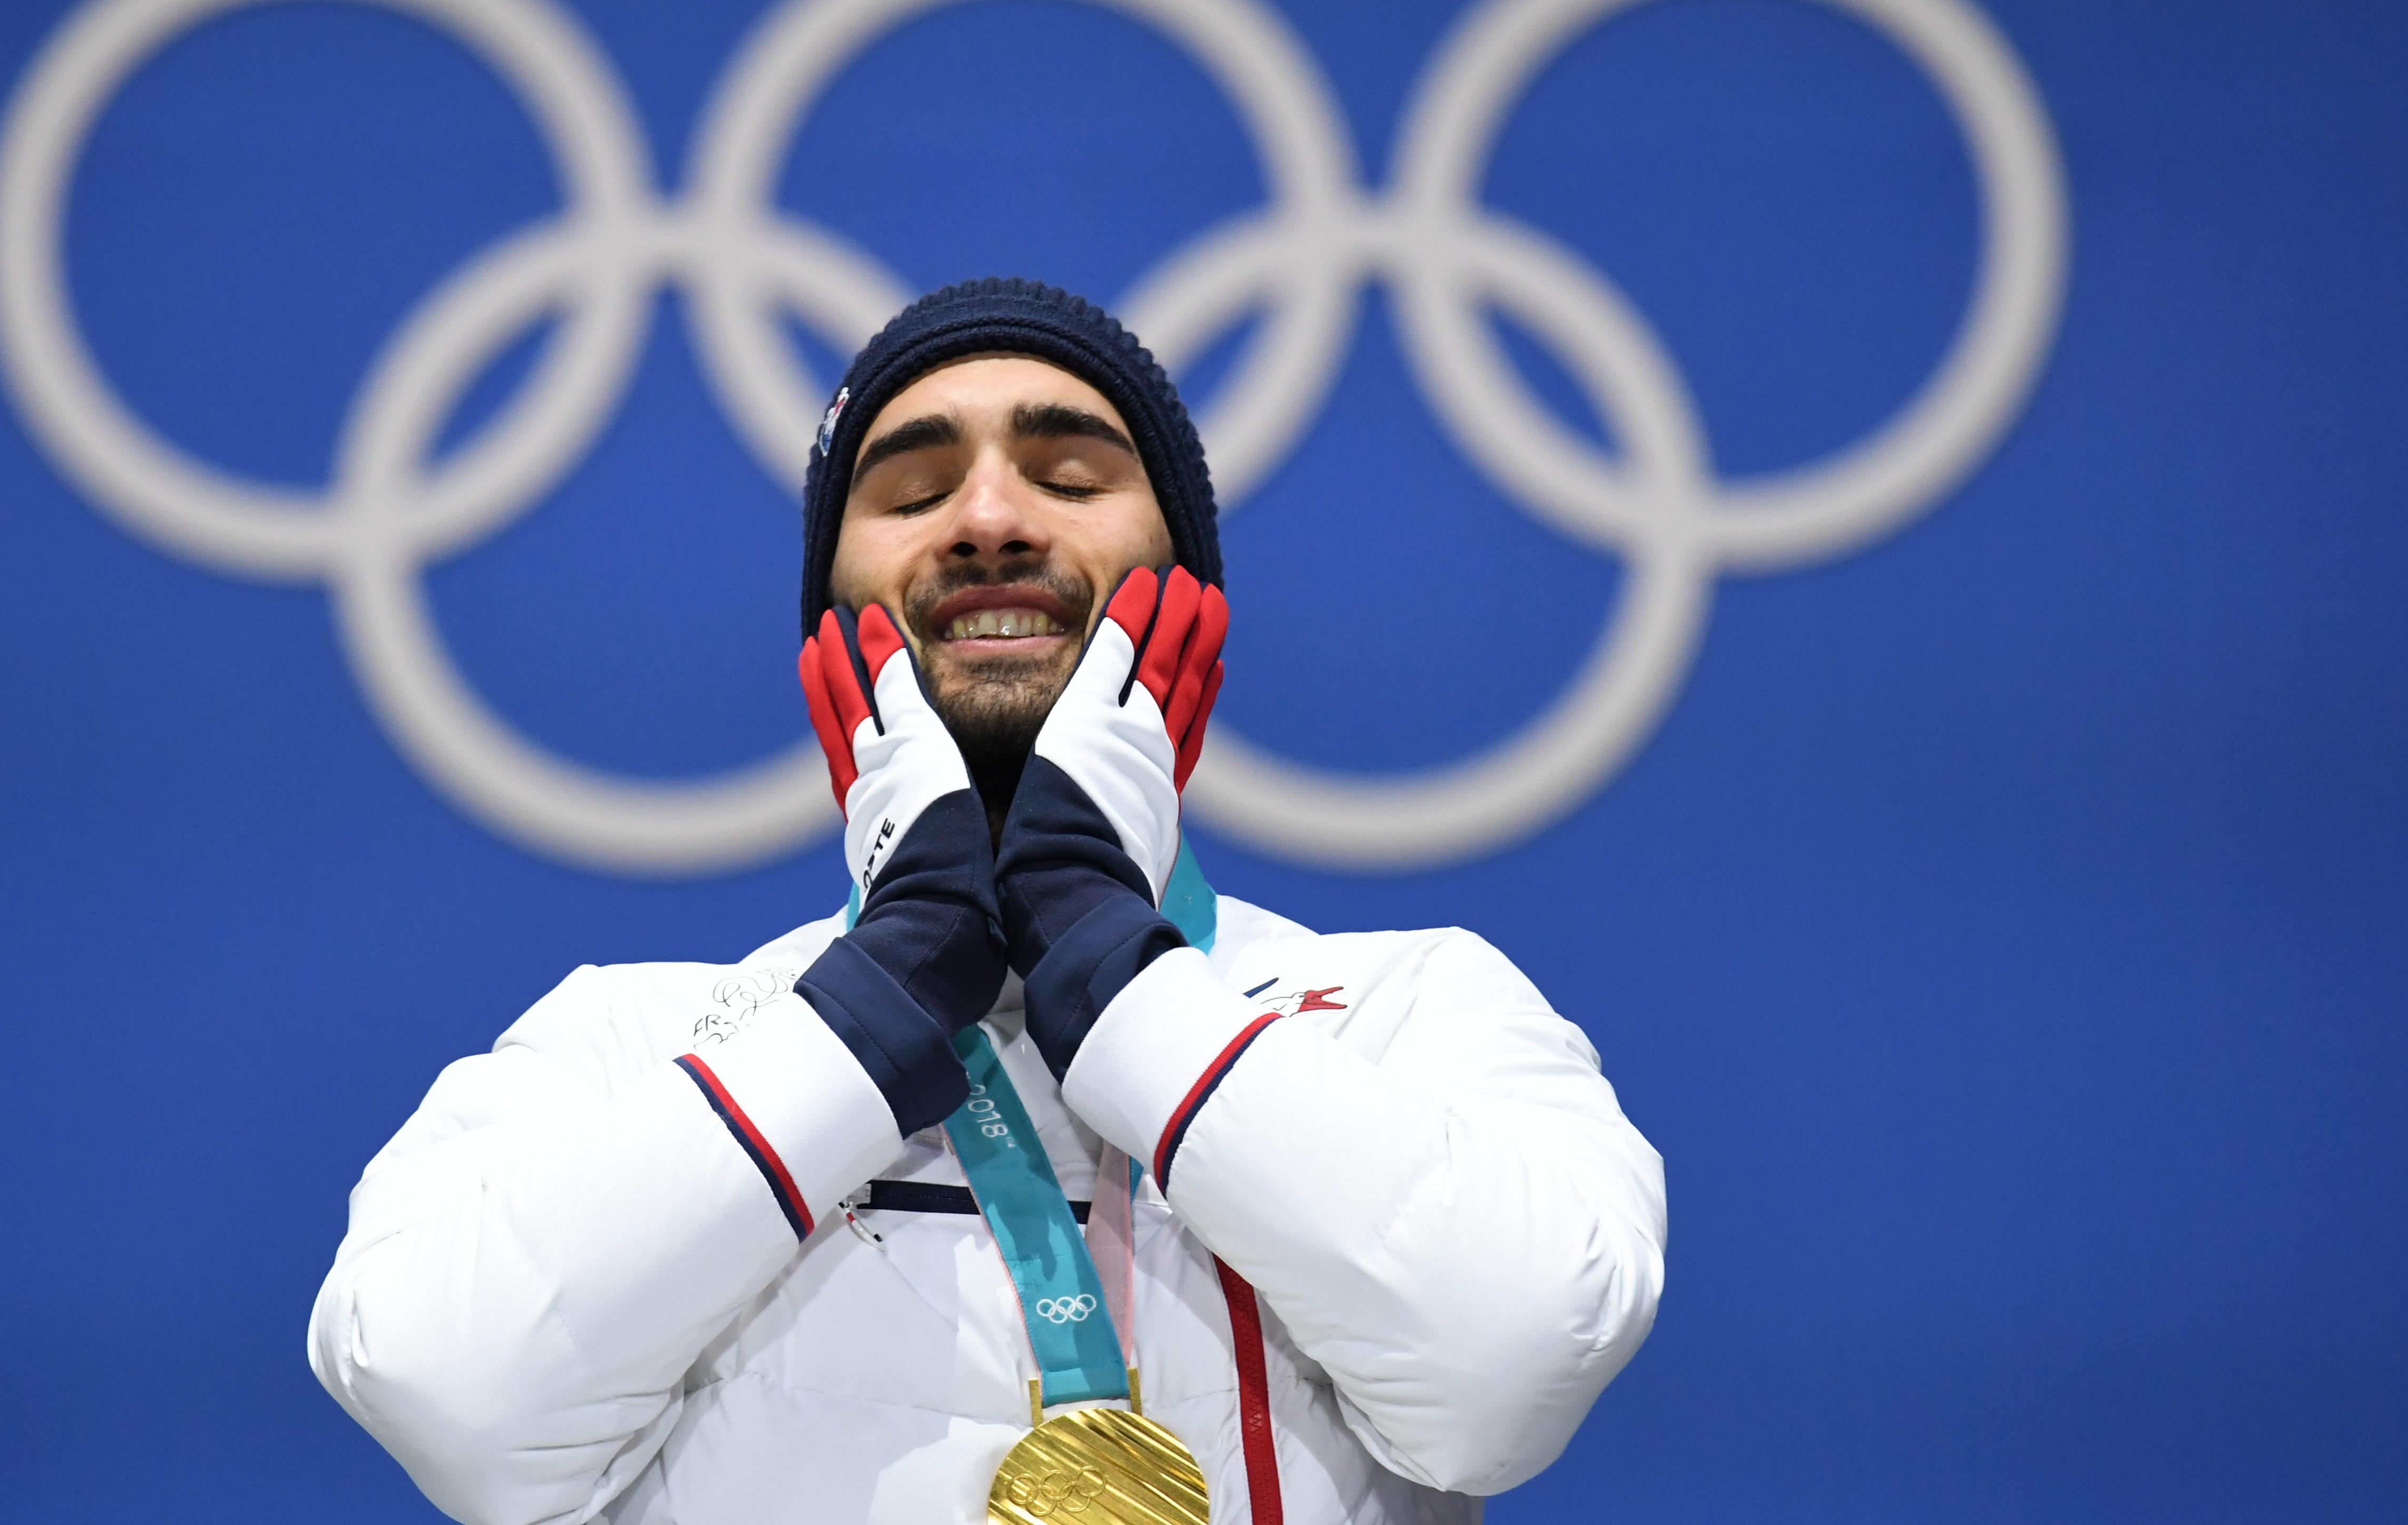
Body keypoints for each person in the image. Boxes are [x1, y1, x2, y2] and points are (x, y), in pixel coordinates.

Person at [308, 279, 1665, 1525]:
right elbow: (453, 1394)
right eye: (910, 493)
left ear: (1186, 591)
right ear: (829, 625)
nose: (992, 520)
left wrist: (1118, 972)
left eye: (1070, 473)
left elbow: (1508, 1371)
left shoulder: (1408, 1006)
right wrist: (874, 998)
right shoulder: (625, 1041)